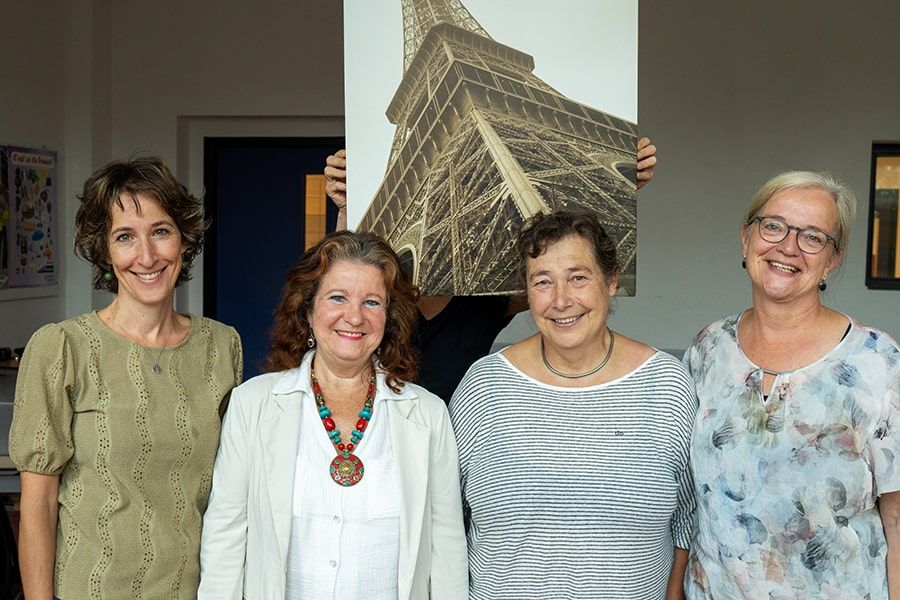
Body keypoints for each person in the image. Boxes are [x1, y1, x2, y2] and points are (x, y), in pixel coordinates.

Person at [9, 156, 243, 599]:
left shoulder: (221, 347)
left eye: (161, 231)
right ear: (104, 251)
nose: (147, 256)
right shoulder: (62, 347)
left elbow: (230, 493)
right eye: (125, 237)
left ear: (184, 240)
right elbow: (37, 505)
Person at [198, 231, 467, 600]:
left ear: (389, 317)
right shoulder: (252, 405)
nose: (354, 316)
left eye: (372, 302)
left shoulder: (428, 414)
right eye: (337, 297)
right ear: (308, 311)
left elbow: (447, 545)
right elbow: (225, 535)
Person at [450, 210, 696, 599]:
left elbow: (687, 511)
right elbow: (448, 517)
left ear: (611, 281)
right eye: (542, 282)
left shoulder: (665, 384)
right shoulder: (485, 387)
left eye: (578, 278)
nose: (561, 300)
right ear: (527, 292)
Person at [684, 171, 900, 598]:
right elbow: (687, 501)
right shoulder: (709, 350)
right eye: (774, 226)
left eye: (813, 236)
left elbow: (897, 519)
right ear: (746, 237)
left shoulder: (877, 361)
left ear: (832, 259)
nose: (788, 247)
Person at [323, 138, 659, 400]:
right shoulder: (372, 303)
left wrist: (619, 185)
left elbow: (565, 272)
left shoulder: (484, 299)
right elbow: (332, 294)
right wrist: (348, 211)